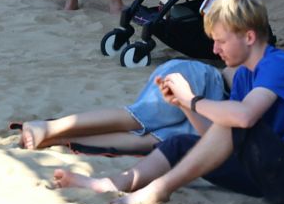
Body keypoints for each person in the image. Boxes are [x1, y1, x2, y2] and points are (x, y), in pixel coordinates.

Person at [51, 0, 284, 204]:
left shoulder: (279, 65)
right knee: (178, 143)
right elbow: (214, 141)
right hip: (271, 172)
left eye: (221, 41)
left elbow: (243, 119)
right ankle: (116, 183)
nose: (215, 49)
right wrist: (183, 105)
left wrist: (194, 99)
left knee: (234, 118)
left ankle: (159, 189)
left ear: (249, 37)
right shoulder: (242, 77)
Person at [17, 59, 228, 155]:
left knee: (148, 143)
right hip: (206, 80)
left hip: (216, 111)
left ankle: (59, 138)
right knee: (137, 119)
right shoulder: (257, 60)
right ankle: (47, 127)